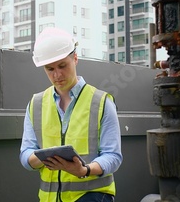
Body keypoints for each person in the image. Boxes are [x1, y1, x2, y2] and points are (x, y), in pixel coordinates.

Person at [20, 27, 123, 202]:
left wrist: (85, 171)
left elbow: (113, 156)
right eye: (49, 69)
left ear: (75, 58)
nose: (57, 74)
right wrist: (44, 159)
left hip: (92, 197)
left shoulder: (102, 102)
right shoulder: (36, 104)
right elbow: (25, 154)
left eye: (62, 66)